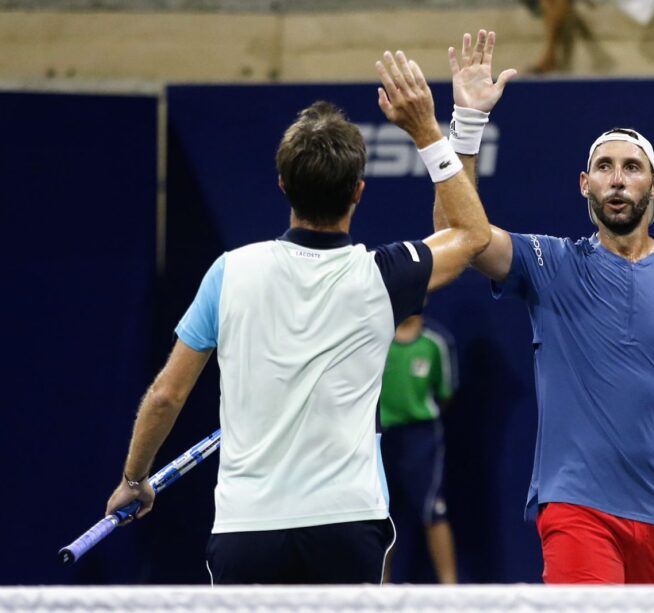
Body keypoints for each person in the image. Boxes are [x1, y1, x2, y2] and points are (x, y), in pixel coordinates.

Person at [102, 47, 501, 584]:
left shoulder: (228, 272)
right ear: (358, 192)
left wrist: (134, 477)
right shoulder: (384, 276)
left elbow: (166, 395)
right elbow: (469, 234)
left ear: (283, 185)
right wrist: (437, 131)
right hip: (347, 526)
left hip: (247, 532)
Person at [438, 29, 654, 583]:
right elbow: (456, 236)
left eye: (631, 168)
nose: (617, 179)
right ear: (584, 185)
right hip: (578, 510)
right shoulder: (549, 262)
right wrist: (466, 126)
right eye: (605, 168)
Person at [379, 313, 458, 584]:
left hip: (422, 438)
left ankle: (451, 593)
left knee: (434, 510)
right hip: (381, 437)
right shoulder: (377, 338)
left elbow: (446, 393)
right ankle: (380, 589)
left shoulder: (437, 342)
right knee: (381, 517)